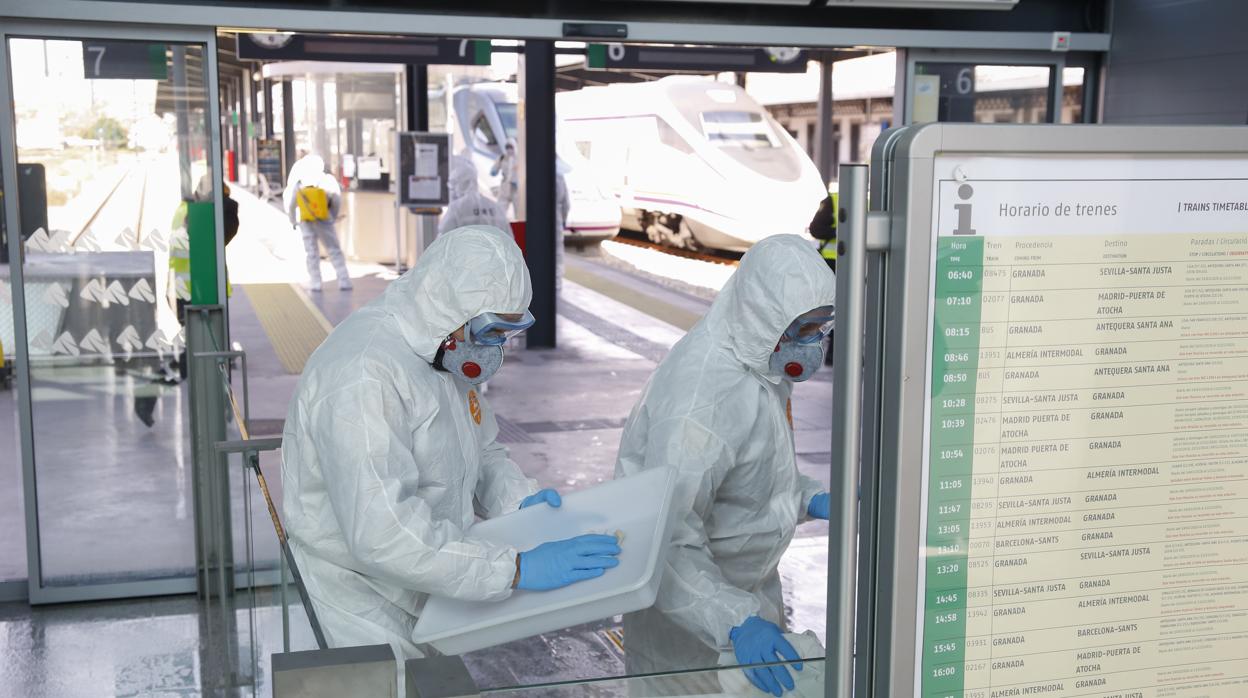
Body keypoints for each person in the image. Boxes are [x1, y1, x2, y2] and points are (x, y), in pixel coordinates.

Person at [281, 225, 621, 664]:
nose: (495, 348)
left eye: (505, 333)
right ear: (450, 309)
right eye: (492, 331)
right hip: (357, 601)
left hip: (427, 583)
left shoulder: (444, 348)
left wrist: (520, 504)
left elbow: (483, 451)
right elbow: (382, 534)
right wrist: (514, 568)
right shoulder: (364, 373)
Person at [614, 234, 836, 697]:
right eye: (804, 330)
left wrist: (808, 494)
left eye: (821, 328)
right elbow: (666, 538)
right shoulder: (701, 401)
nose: (813, 345)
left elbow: (750, 476)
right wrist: (735, 621)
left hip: (746, 605)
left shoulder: (759, 361)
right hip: (688, 630)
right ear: (765, 316)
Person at [283, 153, 352, 292]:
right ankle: (344, 281)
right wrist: (331, 216)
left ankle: (316, 283)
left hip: (306, 221)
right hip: (324, 220)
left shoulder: (300, 182)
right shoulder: (327, 180)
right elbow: (337, 200)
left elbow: (291, 204)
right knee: (334, 250)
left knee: (311, 253)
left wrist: (293, 220)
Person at [438, 156, 510, 236]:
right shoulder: (497, 208)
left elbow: (442, 239)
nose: (452, 190)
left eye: (454, 184)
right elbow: (510, 241)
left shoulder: (456, 208)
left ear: (463, 183)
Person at [490, 139, 518, 218]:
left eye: (511, 147)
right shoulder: (502, 158)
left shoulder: (520, 159)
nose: (509, 149)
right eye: (507, 147)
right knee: (499, 212)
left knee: (519, 214)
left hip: (516, 190)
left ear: (515, 147)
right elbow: (494, 169)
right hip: (505, 187)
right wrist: (494, 171)